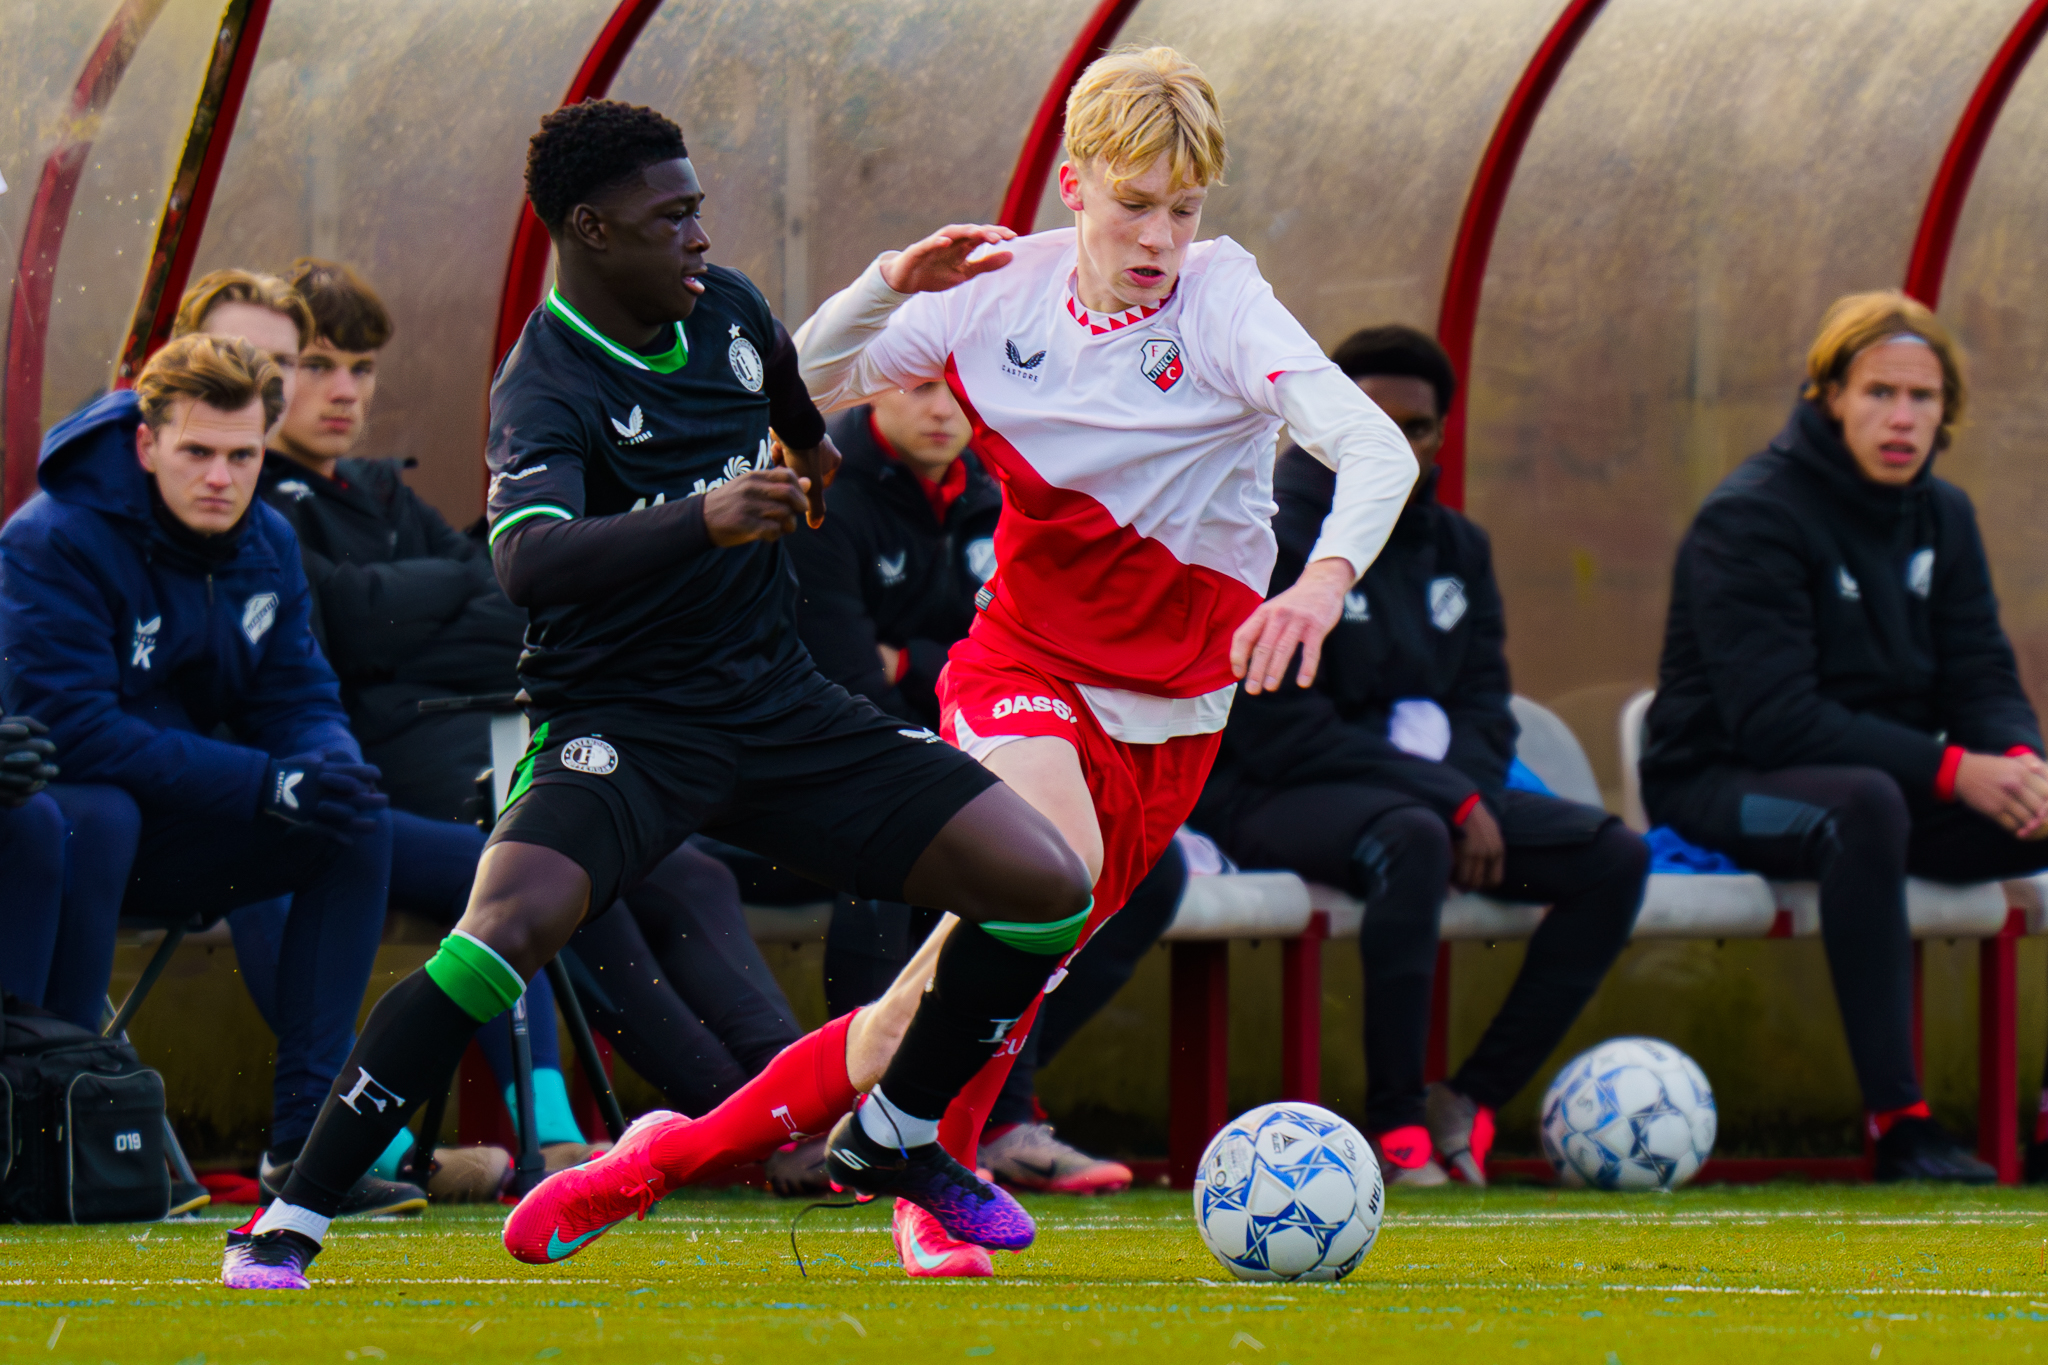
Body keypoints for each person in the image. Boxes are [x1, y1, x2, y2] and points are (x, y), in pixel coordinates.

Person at [518, 48, 1415, 1280]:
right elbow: (780, 384)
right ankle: (923, 1185)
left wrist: (1320, 581)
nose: (1158, 236)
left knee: (918, 1013)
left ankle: (665, 1161)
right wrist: (887, 285)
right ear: (1070, 188)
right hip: (1023, 664)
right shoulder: (995, 294)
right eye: (1133, 203)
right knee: (1048, 879)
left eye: (1183, 210)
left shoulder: (1222, 304)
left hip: (1175, 713)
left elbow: (1373, 452)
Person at [224, 98, 1093, 1292]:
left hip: (779, 708)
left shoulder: (727, 310)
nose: (697, 235)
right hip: (621, 729)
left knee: (1047, 889)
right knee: (502, 936)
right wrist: (704, 518)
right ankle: (290, 1218)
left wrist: (810, 464)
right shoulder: (545, 384)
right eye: (670, 216)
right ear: (589, 228)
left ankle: (894, 1136)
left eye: (698, 210)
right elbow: (524, 561)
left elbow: (796, 414)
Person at [179, 266, 806, 1179]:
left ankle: (804, 1101)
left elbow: (505, 593)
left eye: (359, 367)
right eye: (313, 365)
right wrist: (432, 603)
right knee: (574, 880)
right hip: (386, 769)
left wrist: (415, 612)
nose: (340, 389)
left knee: (691, 874)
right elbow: (351, 621)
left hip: (479, 739)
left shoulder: (378, 491)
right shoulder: (241, 488)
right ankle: (750, 1131)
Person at [1193, 325, 1649, 1186]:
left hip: (1425, 797)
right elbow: (1284, 728)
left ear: (1442, 435)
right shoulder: (1268, 532)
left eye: (1416, 427)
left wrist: (1466, 791)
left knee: (1613, 857)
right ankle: (1394, 1123)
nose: (1394, 442)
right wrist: (1452, 799)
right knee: (1415, 837)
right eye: (1369, 417)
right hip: (1268, 792)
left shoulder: (1458, 547)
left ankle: (1467, 1098)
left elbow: (1483, 705)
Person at [0, 334, 423, 1216]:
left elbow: (300, 695)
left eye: (243, 455)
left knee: (354, 823)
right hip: (69, 820)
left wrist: (327, 768)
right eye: (196, 452)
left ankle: (309, 1146)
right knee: (98, 810)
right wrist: (271, 784)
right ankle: (53, 1123)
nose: (221, 478)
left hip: (179, 823)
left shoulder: (266, 538)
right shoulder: (54, 537)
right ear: (147, 444)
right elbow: (74, 732)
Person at [1640, 290, 2048, 1184]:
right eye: (1878, 394)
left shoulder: (1946, 516)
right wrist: (1949, 768)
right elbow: (1776, 719)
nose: (1902, 418)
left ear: (1947, 412)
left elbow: (1981, 671)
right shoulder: (1751, 515)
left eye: (1923, 399)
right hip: (1724, 780)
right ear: (1828, 394)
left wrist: (2018, 760)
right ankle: (1902, 1125)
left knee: (2008, 802)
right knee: (1862, 806)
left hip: (1887, 787)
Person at [785, 387, 1179, 1194]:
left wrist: (914, 658)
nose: (944, 411)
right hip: (827, 774)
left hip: (977, 745)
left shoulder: (999, 490)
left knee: (1136, 872)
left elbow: (1031, 649)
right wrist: (934, 670)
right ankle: (866, 1108)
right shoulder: (823, 488)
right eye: (921, 386)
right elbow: (851, 679)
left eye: (957, 393)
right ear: (876, 382)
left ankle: (993, 1107)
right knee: (925, 862)